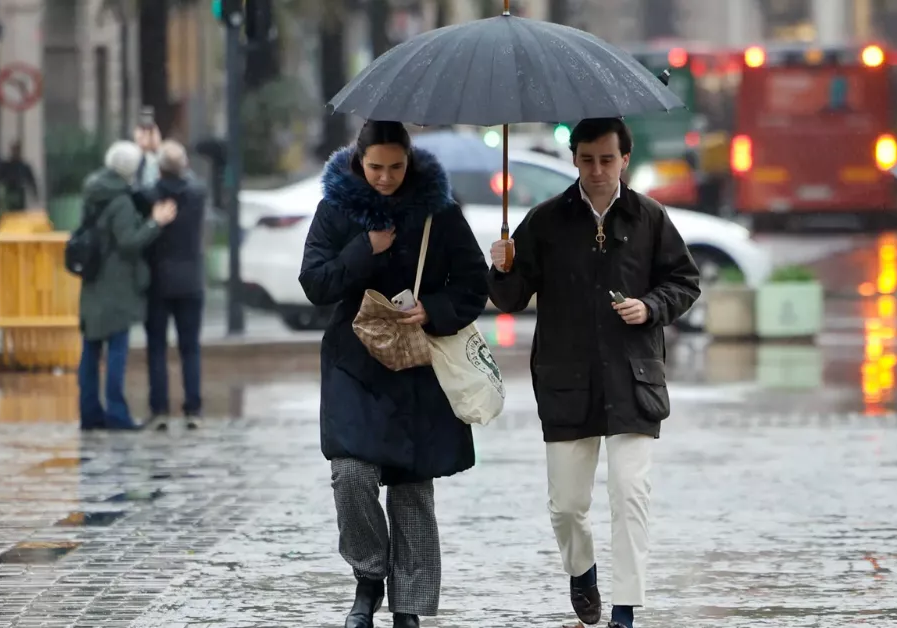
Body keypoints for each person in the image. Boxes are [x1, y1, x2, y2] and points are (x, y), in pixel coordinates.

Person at [487, 117, 701, 628]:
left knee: (630, 494)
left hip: (634, 379)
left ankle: (625, 609)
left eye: (607, 159)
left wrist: (650, 308)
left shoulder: (650, 217)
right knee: (566, 505)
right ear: (574, 159)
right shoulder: (545, 220)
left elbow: (685, 282)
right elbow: (511, 299)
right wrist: (501, 266)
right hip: (566, 380)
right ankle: (581, 573)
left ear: (625, 158)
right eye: (587, 159)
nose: (597, 170)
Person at [299, 120, 489, 628]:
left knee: (411, 489)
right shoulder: (336, 208)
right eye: (375, 167)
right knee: (350, 474)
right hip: (353, 364)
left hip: (417, 366)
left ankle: (410, 608)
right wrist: (366, 248)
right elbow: (315, 283)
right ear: (359, 162)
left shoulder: (439, 211)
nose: (386, 178)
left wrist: (432, 308)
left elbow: (473, 283)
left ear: (410, 160)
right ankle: (368, 578)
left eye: (396, 167)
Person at [78, 141, 177, 431]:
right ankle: (117, 414)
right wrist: (154, 224)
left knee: (90, 349)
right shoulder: (120, 201)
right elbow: (129, 243)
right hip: (116, 286)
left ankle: (90, 413)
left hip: (93, 282)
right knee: (116, 351)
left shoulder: (93, 190)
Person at [143, 140, 208, 431]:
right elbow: (190, 178)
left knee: (157, 348)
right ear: (184, 167)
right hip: (192, 281)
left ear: (159, 169)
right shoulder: (197, 193)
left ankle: (159, 410)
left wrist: (152, 154)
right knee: (190, 348)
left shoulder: (150, 196)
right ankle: (193, 409)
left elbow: (141, 186)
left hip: (158, 282)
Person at [0, 141, 38, 212]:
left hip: (20, 193)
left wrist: (35, 194)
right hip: (9, 192)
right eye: (14, 150)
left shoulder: (24, 166)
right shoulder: (6, 166)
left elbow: (32, 181)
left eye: (17, 150)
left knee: (19, 213)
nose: (15, 152)